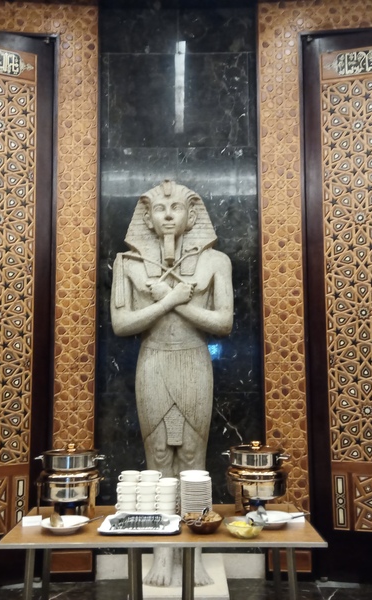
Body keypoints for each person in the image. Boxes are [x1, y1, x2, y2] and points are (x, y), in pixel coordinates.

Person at [111, 180, 233, 586]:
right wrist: (169, 299)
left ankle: (194, 554)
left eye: (176, 207)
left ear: (192, 216)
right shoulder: (128, 264)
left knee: (194, 461)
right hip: (154, 363)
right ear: (146, 218)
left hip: (194, 362)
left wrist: (174, 300)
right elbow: (122, 324)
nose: (167, 215)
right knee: (159, 460)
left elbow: (223, 322)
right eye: (159, 209)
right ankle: (163, 554)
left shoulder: (216, 262)